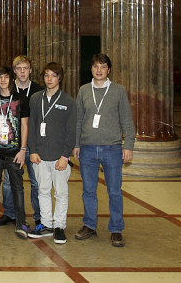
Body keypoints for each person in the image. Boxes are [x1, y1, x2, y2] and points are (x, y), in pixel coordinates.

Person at [73, 54, 135, 248]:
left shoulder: (118, 91)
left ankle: (116, 229)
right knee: (88, 190)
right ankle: (89, 225)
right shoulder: (84, 90)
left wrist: (128, 146)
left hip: (112, 149)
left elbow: (127, 120)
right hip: (88, 149)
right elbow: (78, 120)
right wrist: (76, 144)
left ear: (108, 70)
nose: (99, 70)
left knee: (114, 191)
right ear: (91, 69)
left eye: (103, 66)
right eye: (95, 66)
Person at [27, 63, 77, 244]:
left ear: (60, 78)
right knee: (43, 191)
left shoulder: (68, 102)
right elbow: (32, 126)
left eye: (53, 75)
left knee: (61, 193)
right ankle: (47, 224)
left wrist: (65, 156)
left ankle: (59, 226)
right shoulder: (35, 98)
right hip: (39, 156)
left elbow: (71, 131)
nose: (49, 79)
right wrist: (33, 150)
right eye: (47, 75)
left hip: (59, 157)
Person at [0, 55, 44, 230]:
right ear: (14, 71)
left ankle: (39, 215)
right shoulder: (7, 90)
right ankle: (9, 212)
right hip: (11, 144)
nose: (22, 71)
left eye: (25, 68)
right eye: (19, 68)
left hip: (33, 143)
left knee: (36, 182)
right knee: (8, 181)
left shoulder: (39, 91)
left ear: (30, 70)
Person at [0, 66, 30, 239]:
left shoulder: (21, 99)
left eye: (6, 77)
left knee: (17, 187)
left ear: (11, 79)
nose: (3, 80)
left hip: (15, 153)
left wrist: (23, 149)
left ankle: (21, 222)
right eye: (0, 77)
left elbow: (24, 125)